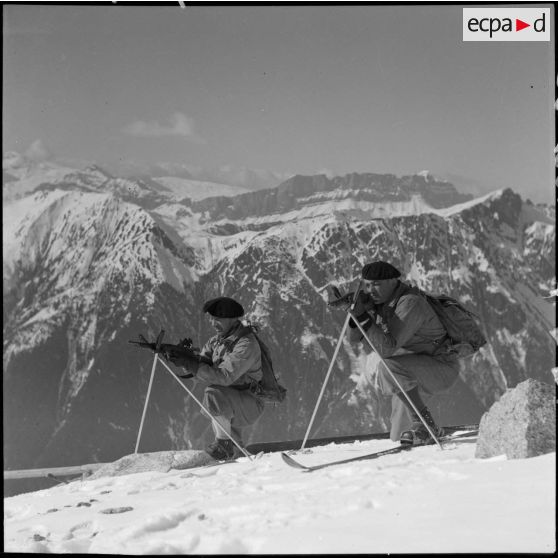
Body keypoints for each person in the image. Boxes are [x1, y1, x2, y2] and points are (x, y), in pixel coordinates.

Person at [345, 261, 460, 445]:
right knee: (399, 437)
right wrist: (356, 315)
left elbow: (387, 349)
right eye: (367, 285)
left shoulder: (411, 303)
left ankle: (426, 426)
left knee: (387, 368)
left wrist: (363, 316)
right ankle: (423, 431)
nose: (371, 290)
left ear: (392, 282)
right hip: (408, 369)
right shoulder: (381, 303)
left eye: (376, 284)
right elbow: (353, 339)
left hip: (441, 366)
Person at [165, 296, 265, 460]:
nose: (213, 323)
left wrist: (192, 364)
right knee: (217, 395)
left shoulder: (246, 344)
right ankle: (233, 450)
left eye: (218, 319)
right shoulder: (216, 341)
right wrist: (184, 357)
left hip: (250, 401)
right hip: (233, 397)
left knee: (213, 393)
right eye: (212, 319)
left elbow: (224, 377)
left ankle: (223, 445)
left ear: (232, 320)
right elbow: (202, 366)